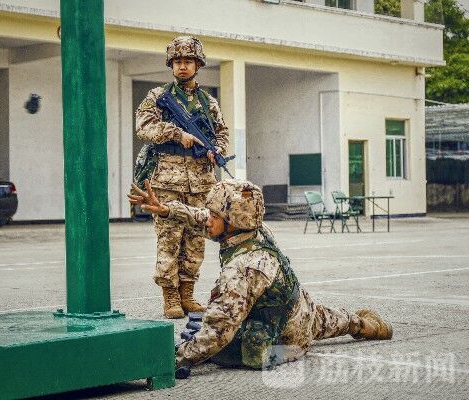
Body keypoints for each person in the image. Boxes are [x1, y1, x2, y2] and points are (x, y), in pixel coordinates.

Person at [128, 179, 393, 377]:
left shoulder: (243, 269)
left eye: (215, 215)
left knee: (218, 340)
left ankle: (355, 328)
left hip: (284, 342)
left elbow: (216, 334)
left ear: (232, 221)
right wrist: (166, 210)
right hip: (301, 311)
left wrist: (169, 359)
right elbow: (200, 218)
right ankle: (366, 326)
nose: (208, 220)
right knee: (334, 321)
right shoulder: (256, 227)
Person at [135, 36, 229, 319]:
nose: (183, 66)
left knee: (196, 239)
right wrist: (177, 134)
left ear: (198, 65)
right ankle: (171, 296)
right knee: (169, 238)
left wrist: (217, 150)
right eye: (177, 62)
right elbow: (144, 126)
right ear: (171, 65)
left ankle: (187, 293)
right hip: (167, 180)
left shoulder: (208, 102)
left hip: (201, 182)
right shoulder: (158, 96)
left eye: (188, 61)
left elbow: (221, 133)